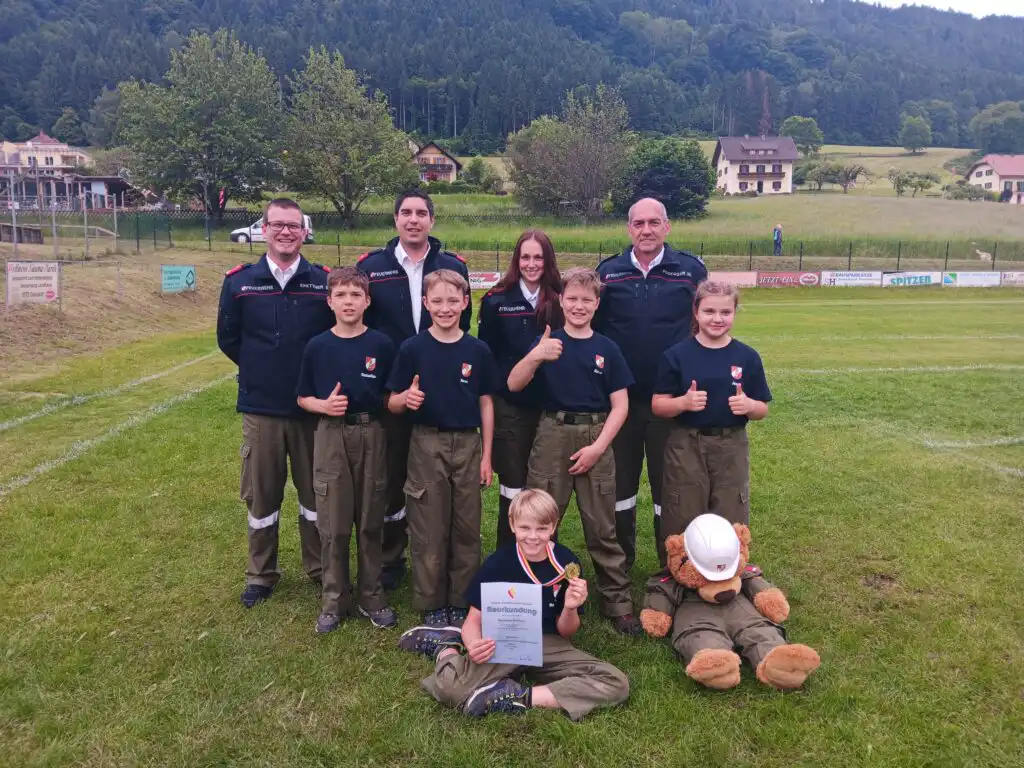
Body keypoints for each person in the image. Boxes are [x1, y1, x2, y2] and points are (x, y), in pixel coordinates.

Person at [397, 489, 630, 719]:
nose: (533, 536)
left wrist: (570, 607)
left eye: (542, 528)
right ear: (512, 524)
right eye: (525, 528)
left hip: (546, 643)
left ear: (554, 525)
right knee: (451, 690)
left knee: (615, 683)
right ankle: (446, 647)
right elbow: (473, 621)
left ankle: (517, 696)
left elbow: (566, 631)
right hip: (504, 641)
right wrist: (473, 643)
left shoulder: (566, 563)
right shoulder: (498, 564)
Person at [508, 267, 641, 636]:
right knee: (540, 524)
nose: (579, 306)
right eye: (572, 299)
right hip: (552, 435)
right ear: (561, 301)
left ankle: (617, 602)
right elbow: (514, 383)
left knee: (602, 526)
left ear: (596, 304)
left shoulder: (607, 348)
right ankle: (535, 596)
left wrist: (598, 447)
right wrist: (537, 355)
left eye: (586, 300)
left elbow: (621, 406)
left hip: (595, 435)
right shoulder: (548, 342)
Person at [217, 198, 334, 608]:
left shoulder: (322, 281)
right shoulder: (239, 282)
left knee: (315, 497)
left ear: (304, 232)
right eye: (277, 225)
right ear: (263, 229)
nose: (286, 232)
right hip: (262, 409)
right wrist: (261, 370)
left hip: (310, 411)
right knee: (262, 498)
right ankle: (261, 574)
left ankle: (319, 568)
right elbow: (228, 339)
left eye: (294, 226)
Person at [357, 190, 472, 591]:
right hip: (389, 392)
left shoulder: (452, 266)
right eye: (405, 212)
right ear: (395, 220)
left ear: (432, 220)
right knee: (389, 480)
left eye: (421, 213)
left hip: (441, 398)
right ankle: (391, 560)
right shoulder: (371, 266)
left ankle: (445, 556)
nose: (413, 219)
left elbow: (462, 325)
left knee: (438, 480)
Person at [594, 197, 707, 570]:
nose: (646, 230)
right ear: (629, 229)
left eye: (654, 223)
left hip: (670, 404)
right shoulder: (608, 272)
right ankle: (619, 566)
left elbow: (706, 326)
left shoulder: (690, 270)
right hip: (621, 403)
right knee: (619, 492)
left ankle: (671, 568)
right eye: (639, 223)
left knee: (670, 492)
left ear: (667, 226)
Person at [386, 269, 498, 628]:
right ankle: (432, 600)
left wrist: (487, 456)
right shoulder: (412, 348)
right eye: (437, 301)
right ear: (425, 303)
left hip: (467, 443)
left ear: (466, 302)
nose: (445, 308)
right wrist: (407, 398)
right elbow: (391, 402)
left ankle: (462, 598)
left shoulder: (477, 350)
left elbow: (486, 404)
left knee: (467, 526)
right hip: (426, 443)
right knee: (429, 526)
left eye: (453, 300)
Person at [296, 267, 397, 633]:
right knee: (334, 525)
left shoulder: (381, 344)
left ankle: (372, 594)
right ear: (329, 302)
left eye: (356, 295)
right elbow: (302, 396)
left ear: (367, 300)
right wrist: (323, 406)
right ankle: (334, 599)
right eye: (341, 295)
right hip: (331, 435)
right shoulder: (318, 346)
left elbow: (389, 394)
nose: (349, 301)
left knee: (371, 520)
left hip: (371, 433)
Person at [651, 281, 771, 538]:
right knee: (683, 509)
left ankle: (731, 572)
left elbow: (762, 409)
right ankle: (680, 573)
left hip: (731, 445)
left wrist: (749, 406)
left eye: (725, 313)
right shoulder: (677, 355)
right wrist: (683, 403)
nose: (717, 319)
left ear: (735, 313)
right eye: (709, 311)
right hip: (686, 444)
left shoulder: (747, 356)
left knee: (731, 509)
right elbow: (658, 405)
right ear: (696, 312)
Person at [477, 229, 563, 549]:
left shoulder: (561, 298)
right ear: (517, 260)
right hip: (510, 409)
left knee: (543, 489)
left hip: (550, 407)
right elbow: (487, 356)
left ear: (548, 260)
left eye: (538, 257)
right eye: (525, 257)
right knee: (513, 489)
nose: (531, 263)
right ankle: (508, 555)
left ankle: (542, 555)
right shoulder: (496, 300)